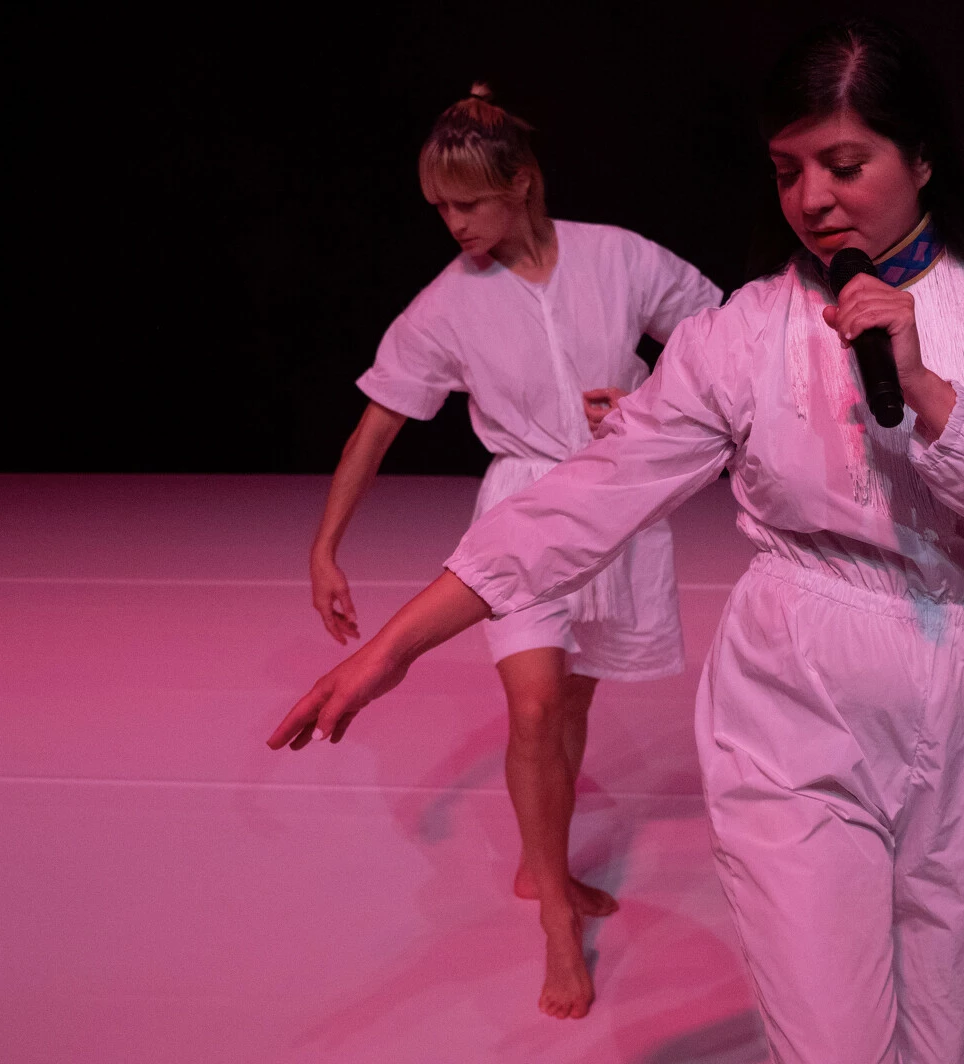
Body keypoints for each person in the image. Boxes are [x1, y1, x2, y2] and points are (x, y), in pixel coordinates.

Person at [272, 22, 964, 1062]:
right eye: (787, 170)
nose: (812, 197)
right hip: (795, 687)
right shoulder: (742, 331)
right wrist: (398, 641)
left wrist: (931, 388)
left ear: (925, 157)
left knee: (937, 1024)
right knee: (831, 1038)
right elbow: (585, 497)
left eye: (844, 164)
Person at [301, 84, 721, 1020]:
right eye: (439, 209)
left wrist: (653, 403)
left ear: (522, 185)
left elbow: (718, 329)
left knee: (569, 705)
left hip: (615, 503)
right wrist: (327, 547)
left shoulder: (617, 255)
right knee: (533, 707)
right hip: (522, 508)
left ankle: (548, 870)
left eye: (467, 205)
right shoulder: (446, 304)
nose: (451, 225)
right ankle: (556, 930)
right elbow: (376, 426)